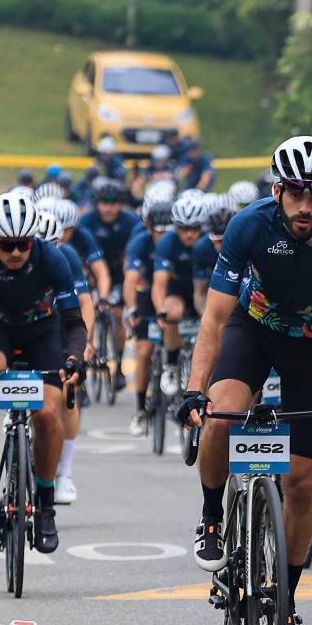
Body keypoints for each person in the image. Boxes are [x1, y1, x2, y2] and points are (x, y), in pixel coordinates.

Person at [177, 135, 312, 625]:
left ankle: (285, 605)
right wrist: (194, 389)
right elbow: (215, 317)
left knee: (303, 483)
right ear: (278, 190)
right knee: (221, 417)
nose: (305, 206)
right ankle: (212, 516)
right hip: (254, 329)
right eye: (296, 193)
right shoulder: (249, 225)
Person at [0, 193, 86, 554]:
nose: (15, 252)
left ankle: (46, 504)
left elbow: (74, 322)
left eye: (23, 244)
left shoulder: (52, 258)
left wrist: (74, 358)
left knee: (48, 412)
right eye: (7, 245)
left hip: (43, 329)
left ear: (33, 241)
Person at [34, 210, 95, 505]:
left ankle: (64, 474)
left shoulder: (67, 256)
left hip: (59, 325)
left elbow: (84, 302)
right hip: (23, 326)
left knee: (69, 391)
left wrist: (85, 343)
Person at [79, 179, 144, 389]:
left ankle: (119, 365)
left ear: (121, 204)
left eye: (114, 202)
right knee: (85, 310)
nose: (108, 207)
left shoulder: (131, 221)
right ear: (97, 203)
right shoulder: (87, 221)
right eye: (104, 202)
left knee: (116, 314)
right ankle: (85, 358)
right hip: (91, 270)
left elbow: (133, 255)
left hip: (118, 272)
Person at [123, 199, 173, 436]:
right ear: (149, 227)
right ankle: (141, 409)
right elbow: (130, 279)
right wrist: (132, 308)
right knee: (144, 352)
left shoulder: (179, 242)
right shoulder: (140, 243)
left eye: (168, 231)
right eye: (158, 231)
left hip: (172, 295)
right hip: (145, 298)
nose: (163, 237)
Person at [151, 193, 206, 395]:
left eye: (195, 228)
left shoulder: (209, 242)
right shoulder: (167, 242)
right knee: (172, 312)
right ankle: (172, 366)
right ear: (175, 227)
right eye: (183, 228)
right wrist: (160, 311)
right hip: (178, 290)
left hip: (204, 289)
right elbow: (159, 284)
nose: (189, 234)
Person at [193, 201, 236, 316]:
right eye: (218, 241)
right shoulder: (201, 248)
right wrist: (207, 319)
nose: (222, 246)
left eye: (226, 241)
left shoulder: (248, 243)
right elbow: (200, 292)